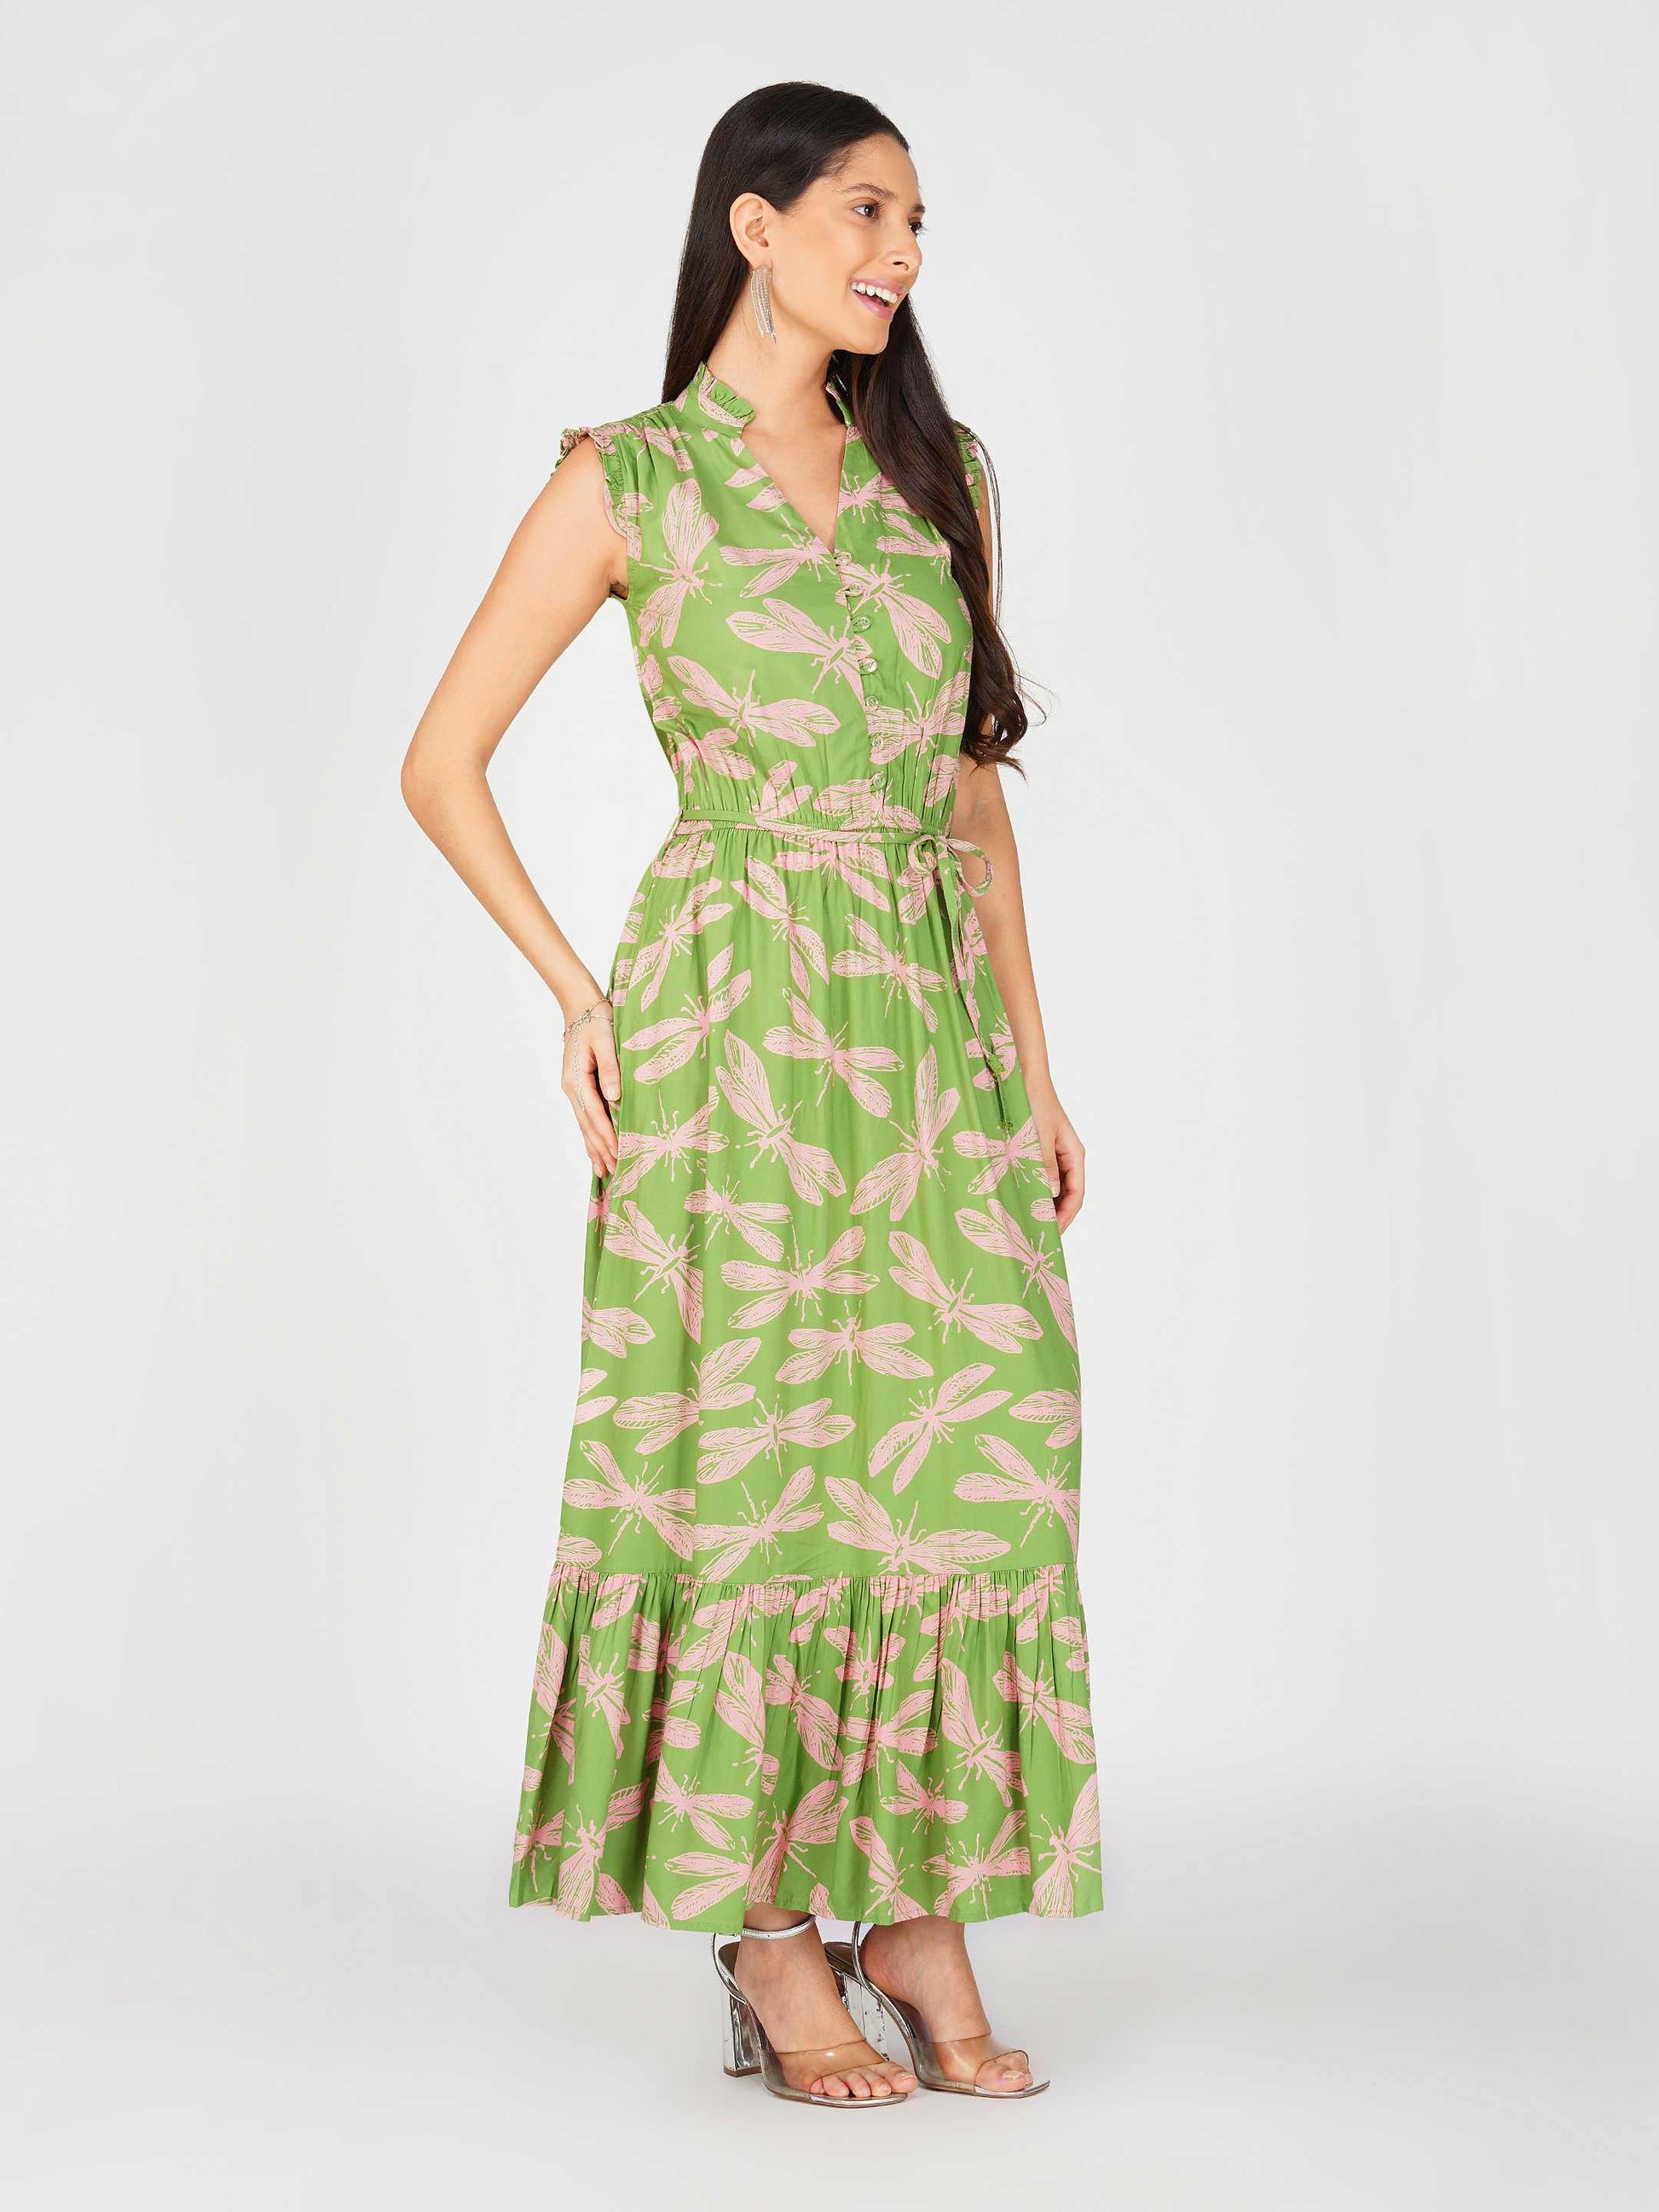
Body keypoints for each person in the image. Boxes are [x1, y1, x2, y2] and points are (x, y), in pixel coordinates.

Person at [402, 79, 1101, 2110]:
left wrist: (1038, 1070)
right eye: (870, 212)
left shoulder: (940, 472)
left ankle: (915, 1905)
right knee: (750, 1455)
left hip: (927, 1024)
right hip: (727, 1021)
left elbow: (972, 804)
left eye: (918, 225)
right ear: (757, 224)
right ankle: (769, 1920)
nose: (902, 255)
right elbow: (441, 759)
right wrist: (575, 992)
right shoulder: (628, 479)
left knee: (981, 1442)